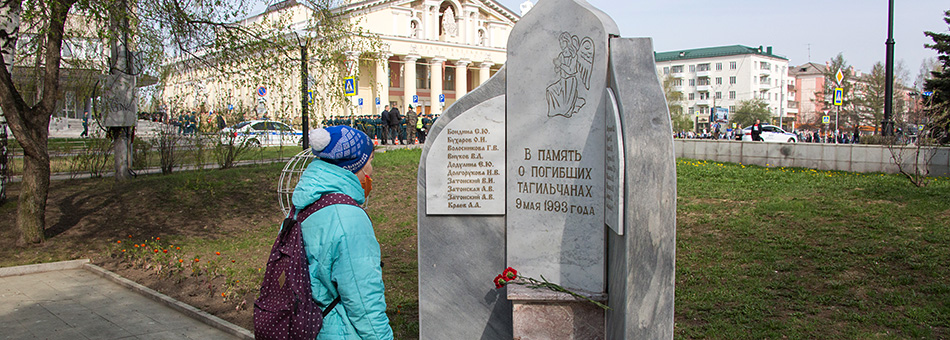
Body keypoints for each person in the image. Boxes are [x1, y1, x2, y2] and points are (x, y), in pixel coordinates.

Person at [293, 125, 394, 340]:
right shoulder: (348, 218)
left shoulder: (307, 202)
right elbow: (364, 300)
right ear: (354, 165)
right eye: (370, 162)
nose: (371, 171)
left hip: (309, 325)